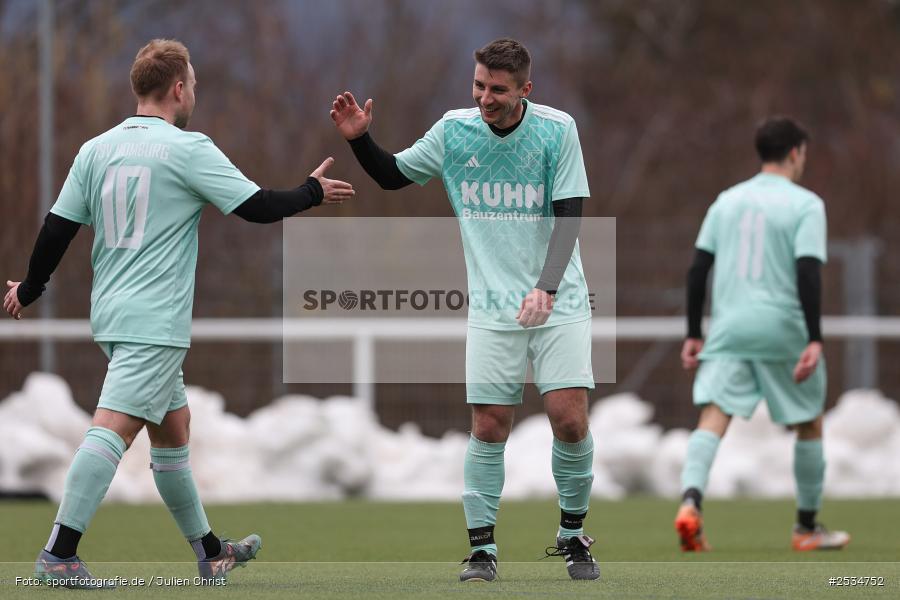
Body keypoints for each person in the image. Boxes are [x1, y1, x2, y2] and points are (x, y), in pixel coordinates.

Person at [3, 38, 354, 588]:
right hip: (155, 320)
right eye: (194, 84)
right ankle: (58, 553)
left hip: (114, 313)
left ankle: (212, 552)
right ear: (179, 88)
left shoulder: (95, 149)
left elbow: (57, 228)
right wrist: (310, 191)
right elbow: (256, 207)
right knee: (113, 428)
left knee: (173, 429)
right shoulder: (188, 148)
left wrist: (31, 287)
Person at [330, 38, 598, 582]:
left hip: (559, 297)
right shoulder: (454, 131)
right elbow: (392, 175)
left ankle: (573, 537)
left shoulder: (557, 129)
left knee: (568, 420)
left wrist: (546, 288)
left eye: (498, 89)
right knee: (489, 424)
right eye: (479, 85)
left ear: (526, 89)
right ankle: (482, 550)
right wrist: (361, 141)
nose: (485, 97)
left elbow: (570, 213)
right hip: (493, 307)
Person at [676, 116, 849, 552]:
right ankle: (806, 528)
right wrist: (814, 337)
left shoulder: (726, 201)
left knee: (714, 415)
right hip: (783, 326)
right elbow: (808, 271)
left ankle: (690, 502)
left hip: (730, 326)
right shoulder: (806, 204)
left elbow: (698, 270)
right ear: (795, 153)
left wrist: (694, 332)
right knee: (809, 423)